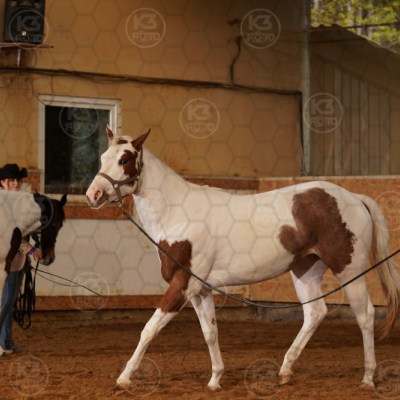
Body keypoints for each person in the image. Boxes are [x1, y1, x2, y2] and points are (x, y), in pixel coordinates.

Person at [0, 163, 42, 356]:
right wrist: (30, 250)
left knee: (10, 303)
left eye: (17, 180)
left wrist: (28, 257)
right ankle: (4, 342)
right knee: (5, 303)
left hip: (18, 262)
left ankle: (6, 341)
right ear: (2, 182)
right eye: (11, 180)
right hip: (5, 263)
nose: (15, 184)